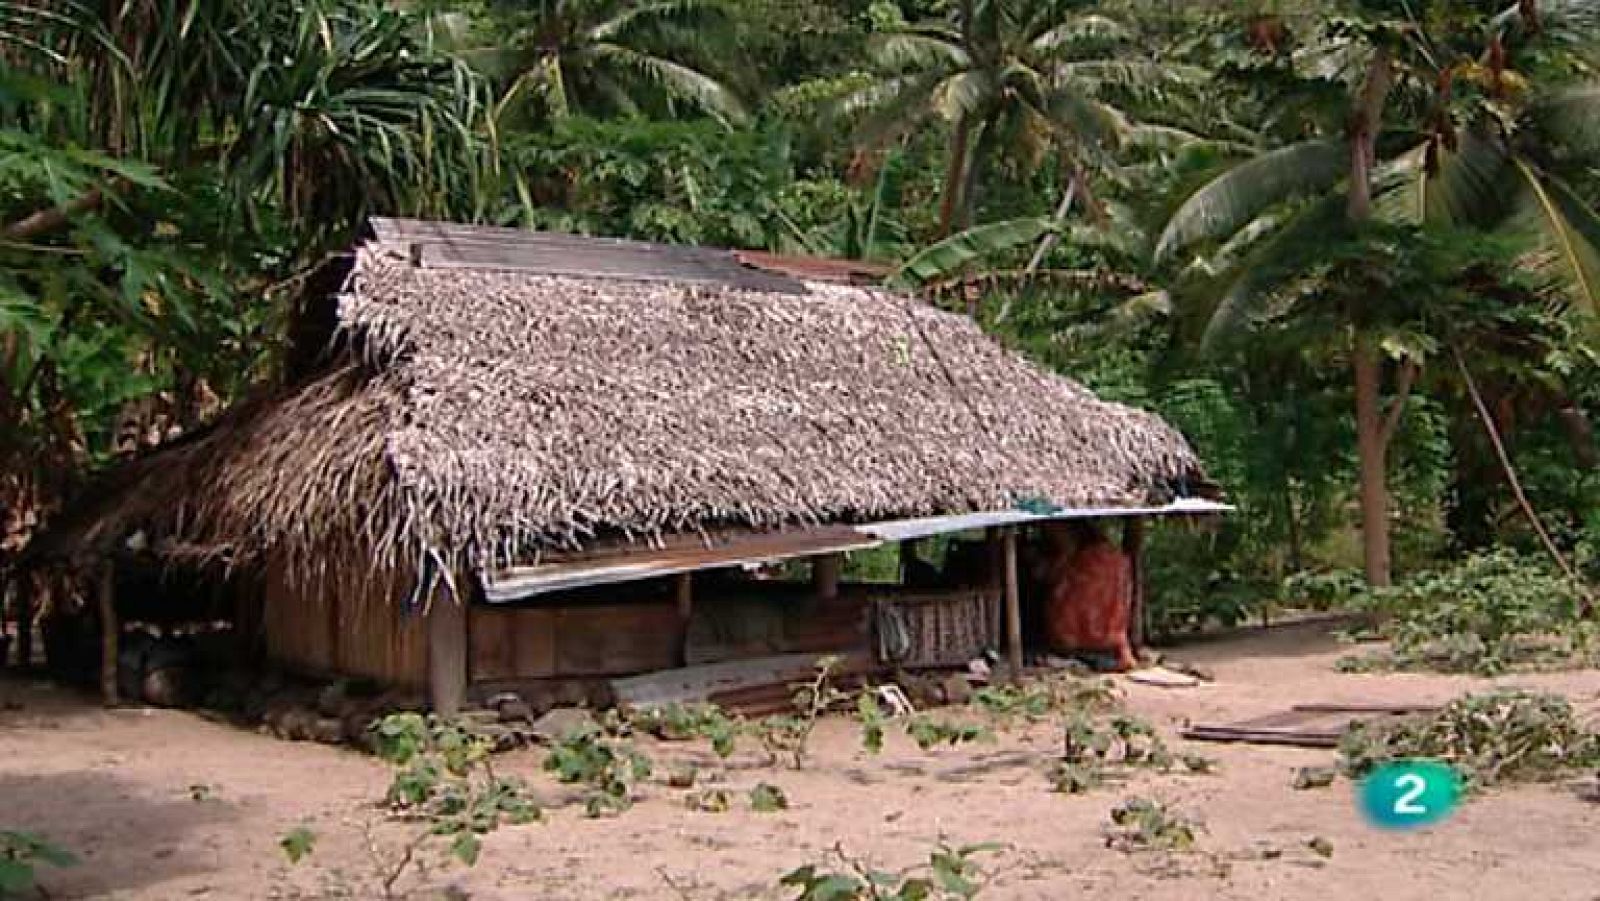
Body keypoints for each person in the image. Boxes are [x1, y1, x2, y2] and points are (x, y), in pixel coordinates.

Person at [1041, 521, 1137, 671]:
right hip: (1108, 626)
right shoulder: (1112, 555)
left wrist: (1054, 573)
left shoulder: (1088, 558)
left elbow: (1065, 555)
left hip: (1091, 590)